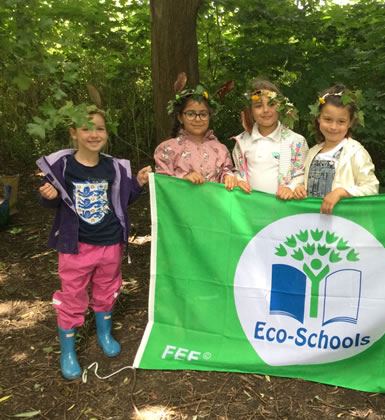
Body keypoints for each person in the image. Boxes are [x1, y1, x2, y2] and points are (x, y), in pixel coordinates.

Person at [36, 109, 152, 380]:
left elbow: (124, 198)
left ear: (106, 134)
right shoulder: (63, 166)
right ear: (73, 133)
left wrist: (138, 182)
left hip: (110, 243)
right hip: (76, 247)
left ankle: (104, 333)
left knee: (108, 289)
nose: (94, 134)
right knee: (73, 296)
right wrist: (47, 194)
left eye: (99, 128)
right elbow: (49, 200)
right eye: (86, 128)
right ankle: (68, 351)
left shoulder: (113, 166)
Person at [294, 84, 378, 214]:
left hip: (344, 224)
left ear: (350, 122)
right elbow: (305, 182)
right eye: (328, 119)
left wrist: (342, 192)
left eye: (341, 121)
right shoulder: (312, 153)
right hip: (314, 223)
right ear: (318, 118)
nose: (333, 127)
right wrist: (299, 188)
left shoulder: (355, 152)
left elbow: (371, 188)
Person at [231, 79, 309, 199]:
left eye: (271, 104)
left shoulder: (296, 141)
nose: (266, 110)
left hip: (283, 209)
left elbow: (302, 173)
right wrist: (239, 180)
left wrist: (290, 187)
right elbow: (237, 170)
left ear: (281, 107)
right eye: (258, 106)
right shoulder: (242, 141)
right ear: (250, 111)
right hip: (250, 208)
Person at [154, 84, 236, 188]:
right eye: (191, 114)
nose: (197, 119)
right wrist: (183, 179)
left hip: (213, 203)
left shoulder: (220, 149)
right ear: (180, 117)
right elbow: (161, 184)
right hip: (183, 204)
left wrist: (227, 177)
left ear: (209, 117)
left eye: (203, 114)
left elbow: (226, 170)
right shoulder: (167, 149)